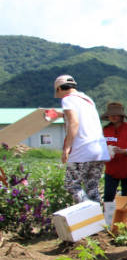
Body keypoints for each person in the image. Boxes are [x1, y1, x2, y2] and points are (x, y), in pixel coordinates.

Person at [52, 75, 110, 203]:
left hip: (82, 150)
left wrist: (66, 148)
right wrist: (61, 114)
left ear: (59, 89)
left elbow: (74, 122)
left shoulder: (68, 99)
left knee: (72, 185)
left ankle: (86, 214)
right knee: (92, 187)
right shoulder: (87, 99)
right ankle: (97, 219)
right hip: (99, 150)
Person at [101, 102, 127, 203]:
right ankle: (109, 218)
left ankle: (125, 219)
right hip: (111, 170)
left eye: (116, 114)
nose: (113, 116)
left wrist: (124, 151)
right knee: (108, 197)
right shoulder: (104, 130)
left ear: (121, 116)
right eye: (111, 114)